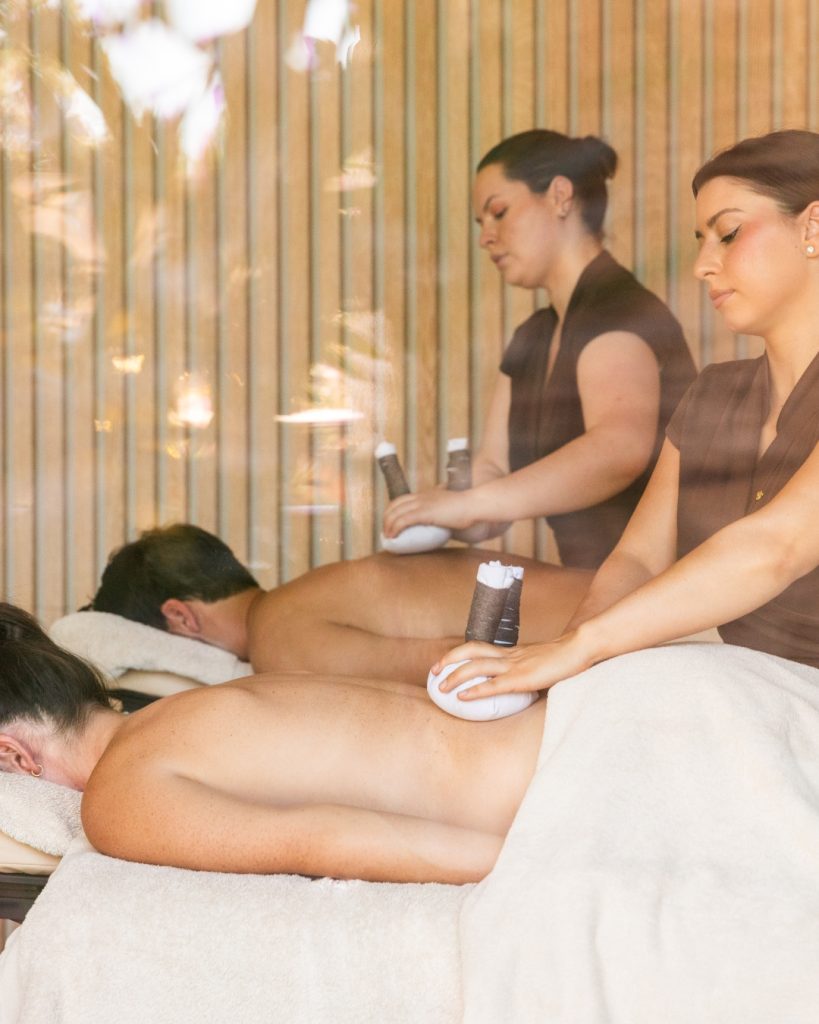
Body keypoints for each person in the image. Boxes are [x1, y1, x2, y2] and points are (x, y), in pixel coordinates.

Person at [432, 129, 819, 702]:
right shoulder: (713, 394)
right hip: (721, 690)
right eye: (700, 240)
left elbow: (776, 548)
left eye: (728, 233)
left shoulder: (614, 315)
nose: (701, 266)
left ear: (813, 228)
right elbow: (637, 559)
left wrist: (580, 648)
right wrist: (567, 672)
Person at [0, 602, 545, 884]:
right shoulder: (212, 699)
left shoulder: (118, 797)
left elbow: (325, 838)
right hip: (565, 720)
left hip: (556, 788)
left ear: (13, 754)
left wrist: (542, 863)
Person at [383, 129, 696, 569]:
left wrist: (471, 504)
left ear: (560, 196)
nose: (485, 237)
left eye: (498, 212)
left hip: (658, 580)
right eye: (480, 224)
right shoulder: (533, 336)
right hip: (587, 577)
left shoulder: (619, 310)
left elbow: (619, 448)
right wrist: (438, 509)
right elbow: (493, 467)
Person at [87, 523, 592, 685]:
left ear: (180, 616)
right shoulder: (314, 592)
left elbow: (456, 667)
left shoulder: (280, 640)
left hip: (607, 653)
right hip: (608, 610)